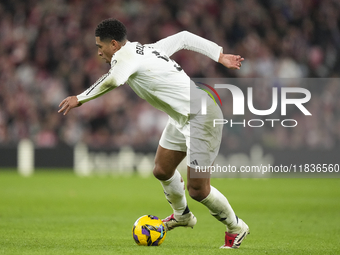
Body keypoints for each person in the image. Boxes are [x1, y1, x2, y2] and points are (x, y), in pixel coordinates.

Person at [58, 18, 249, 249]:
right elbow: (185, 37)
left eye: (100, 46)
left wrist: (80, 98)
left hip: (202, 117)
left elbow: (115, 79)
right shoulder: (147, 49)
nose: (99, 52)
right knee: (162, 170)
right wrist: (219, 55)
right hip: (182, 117)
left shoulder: (125, 57)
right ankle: (182, 216)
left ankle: (236, 227)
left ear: (115, 45)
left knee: (198, 190)